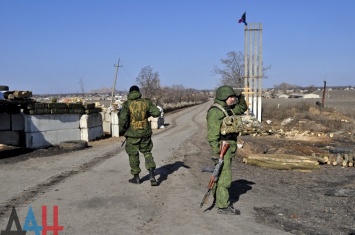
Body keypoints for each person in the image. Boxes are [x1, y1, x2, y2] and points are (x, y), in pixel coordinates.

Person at [206, 85, 248, 215]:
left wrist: (240, 96)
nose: (232, 99)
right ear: (223, 97)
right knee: (225, 177)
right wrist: (215, 152)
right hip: (222, 147)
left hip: (229, 146)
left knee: (221, 175)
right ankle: (223, 206)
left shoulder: (228, 109)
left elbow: (242, 108)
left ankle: (219, 199)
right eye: (230, 97)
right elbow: (212, 135)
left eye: (233, 97)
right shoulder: (215, 112)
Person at [119, 85, 161, 186]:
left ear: (130, 93)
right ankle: (152, 175)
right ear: (138, 92)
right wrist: (146, 114)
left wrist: (122, 131)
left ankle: (136, 177)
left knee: (133, 154)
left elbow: (123, 119)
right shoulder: (146, 102)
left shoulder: (127, 104)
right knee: (147, 152)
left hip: (132, 134)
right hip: (145, 133)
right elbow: (157, 112)